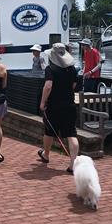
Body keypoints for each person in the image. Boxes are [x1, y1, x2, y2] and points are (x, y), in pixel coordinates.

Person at [38, 42, 79, 173]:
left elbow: (48, 86)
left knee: (49, 131)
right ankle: (73, 163)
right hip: (70, 104)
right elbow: (73, 85)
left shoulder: (50, 69)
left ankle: (46, 154)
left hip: (54, 105)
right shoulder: (72, 69)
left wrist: (43, 102)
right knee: (71, 134)